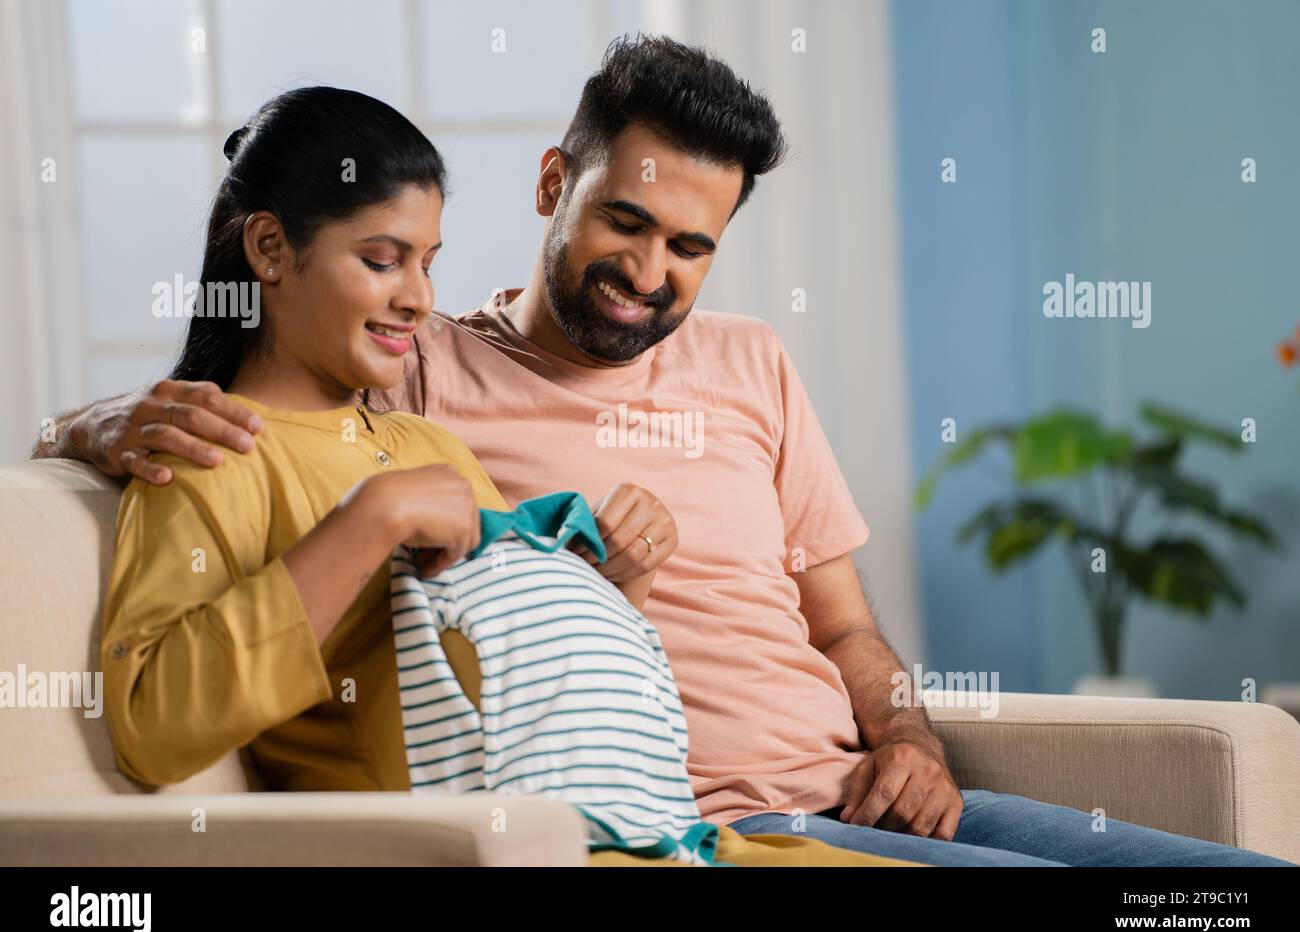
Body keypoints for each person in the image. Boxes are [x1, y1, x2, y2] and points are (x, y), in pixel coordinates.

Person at [41, 38, 1291, 866]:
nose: (649, 273)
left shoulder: (750, 363)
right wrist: (86, 424)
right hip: (700, 819)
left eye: (689, 246)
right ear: (552, 186)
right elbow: (266, 400)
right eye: (624, 222)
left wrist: (907, 740)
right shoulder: (416, 376)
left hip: (852, 784)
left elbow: (845, 628)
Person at [80, 83, 911, 870]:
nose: (415, 297)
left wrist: (623, 588)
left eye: (427, 263)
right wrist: (366, 522)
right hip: (577, 841)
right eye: (381, 259)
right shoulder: (206, 455)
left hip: (659, 831)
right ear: (269, 247)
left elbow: (531, 675)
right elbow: (155, 728)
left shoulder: (425, 449)